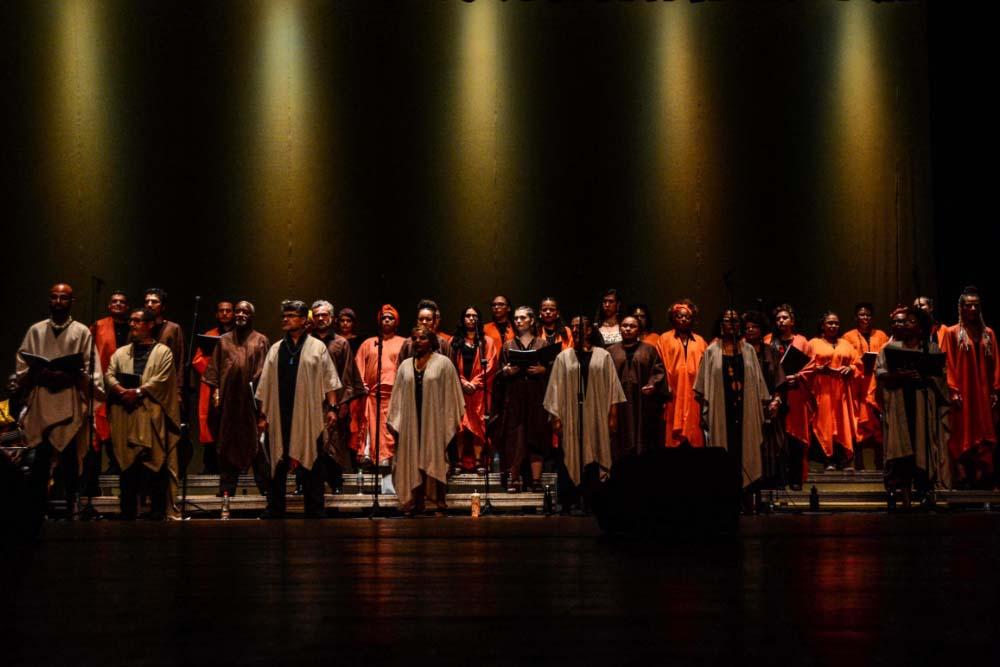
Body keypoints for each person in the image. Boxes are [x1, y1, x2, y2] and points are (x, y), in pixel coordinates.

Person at [16, 283, 104, 521]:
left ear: (71, 301)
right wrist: (42, 373)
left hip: (69, 398)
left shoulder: (81, 332)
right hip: (43, 398)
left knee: (69, 456)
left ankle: (71, 503)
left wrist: (68, 374)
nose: (58, 301)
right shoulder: (36, 330)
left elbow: (90, 368)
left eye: (63, 298)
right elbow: (23, 365)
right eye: (54, 297)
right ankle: (37, 506)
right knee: (40, 458)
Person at [255, 300, 341, 518]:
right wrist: (263, 415)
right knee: (277, 461)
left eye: (291, 315)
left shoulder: (317, 347)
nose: (285, 319)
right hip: (280, 412)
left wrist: (332, 408)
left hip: (308, 412)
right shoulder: (276, 349)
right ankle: (275, 507)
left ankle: (314, 507)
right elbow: (265, 384)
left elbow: (329, 380)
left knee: (313, 460)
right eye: (284, 315)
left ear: (304, 321)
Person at [105, 307, 181, 520]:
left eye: (138, 321)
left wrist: (138, 392)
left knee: (155, 466)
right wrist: (121, 391)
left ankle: (157, 513)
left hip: (151, 416)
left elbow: (162, 379)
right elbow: (109, 374)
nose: (132, 325)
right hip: (126, 415)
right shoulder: (121, 353)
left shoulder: (163, 352)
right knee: (127, 470)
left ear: (150, 325)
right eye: (131, 321)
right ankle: (128, 512)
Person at [544, 315, 626, 506]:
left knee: (596, 450)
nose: (575, 330)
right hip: (572, 414)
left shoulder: (603, 355)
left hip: (596, 413)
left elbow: (613, 386)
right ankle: (570, 500)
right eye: (573, 327)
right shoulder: (564, 357)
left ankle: (593, 500)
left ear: (589, 330)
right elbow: (555, 387)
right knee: (571, 453)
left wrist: (613, 415)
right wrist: (556, 417)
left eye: (579, 326)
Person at [694, 310, 771, 508]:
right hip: (722, 409)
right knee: (723, 451)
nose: (732, 324)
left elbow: (758, 384)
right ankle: (723, 499)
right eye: (728, 320)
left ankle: (747, 499)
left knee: (747, 449)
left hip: (744, 410)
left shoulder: (749, 351)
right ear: (721, 324)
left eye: (736, 321)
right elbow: (702, 388)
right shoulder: (712, 351)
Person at [387, 325, 465, 516]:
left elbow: (452, 394)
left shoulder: (444, 363)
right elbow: (397, 395)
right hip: (411, 421)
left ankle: (438, 502)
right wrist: (395, 420)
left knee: (434, 457)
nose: (417, 342)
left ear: (431, 341)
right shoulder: (405, 365)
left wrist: (447, 420)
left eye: (422, 338)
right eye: (414, 338)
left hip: (434, 421)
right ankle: (415, 501)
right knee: (411, 457)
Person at [876, 305, 950, 501]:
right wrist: (898, 375)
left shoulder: (931, 349)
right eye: (904, 321)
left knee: (922, 447)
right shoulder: (890, 349)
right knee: (900, 449)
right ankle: (901, 493)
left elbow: (941, 378)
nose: (906, 324)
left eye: (911, 321)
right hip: (899, 402)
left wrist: (924, 376)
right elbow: (881, 374)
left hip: (922, 404)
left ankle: (925, 492)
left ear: (920, 327)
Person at [202, 301, 270, 497]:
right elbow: (214, 372)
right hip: (229, 404)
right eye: (238, 311)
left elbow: (263, 375)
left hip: (251, 405)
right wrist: (216, 395)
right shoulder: (223, 341)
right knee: (227, 445)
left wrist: (262, 410)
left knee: (257, 448)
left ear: (251, 316)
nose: (240, 314)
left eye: (245, 312)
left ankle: (266, 491)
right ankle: (226, 490)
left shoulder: (260, 340)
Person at [940, 287, 999, 489]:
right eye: (968, 305)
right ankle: (963, 476)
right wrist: (953, 390)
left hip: (983, 394)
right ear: (961, 308)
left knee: (985, 431)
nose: (972, 308)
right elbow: (947, 362)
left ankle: (983, 477)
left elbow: (996, 364)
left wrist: (995, 390)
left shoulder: (988, 333)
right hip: (963, 392)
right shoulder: (952, 332)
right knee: (962, 431)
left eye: (976, 305)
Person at [310, 300, 366, 491]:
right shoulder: (306, 342)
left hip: (335, 402)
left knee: (335, 444)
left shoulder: (341, 344)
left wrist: (342, 404)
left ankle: (336, 483)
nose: (320, 318)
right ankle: (306, 484)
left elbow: (348, 376)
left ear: (331, 318)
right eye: (316, 315)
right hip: (310, 401)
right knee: (309, 442)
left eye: (324, 315)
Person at [495, 306, 551, 491]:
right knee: (515, 437)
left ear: (531, 320)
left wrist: (544, 370)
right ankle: (514, 478)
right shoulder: (508, 345)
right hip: (515, 396)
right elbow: (500, 372)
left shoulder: (542, 344)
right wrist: (507, 371)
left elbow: (552, 369)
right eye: (516, 318)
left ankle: (535, 480)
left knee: (537, 435)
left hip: (536, 395)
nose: (518, 321)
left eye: (522, 318)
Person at [800, 311, 862, 470]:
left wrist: (851, 368)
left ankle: (844, 460)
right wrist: (818, 368)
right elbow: (804, 365)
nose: (833, 326)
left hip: (842, 390)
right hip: (822, 389)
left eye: (836, 323)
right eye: (830, 323)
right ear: (822, 325)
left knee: (843, 424)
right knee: (824, 424)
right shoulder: (813, 343)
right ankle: (828, 460)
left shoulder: (846, 343)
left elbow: (858, 363)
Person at [607, 315, 668, 462]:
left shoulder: (649, 350)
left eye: (632, 326)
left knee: (643, 443)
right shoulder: (610, 351)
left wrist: (653, 385)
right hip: (618, 405)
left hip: (642, 404)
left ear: (639, 330)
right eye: (624, 325)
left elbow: (658, 372)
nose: (628, 329)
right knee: (619, 443)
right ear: (620, 328)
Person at [447, 306, 498, 473]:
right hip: (459, 391)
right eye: (467, 316)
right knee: (460, 426)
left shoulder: (487, 342)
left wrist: (474, 383)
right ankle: (459, 461)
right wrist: (461, 382)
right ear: (462, 319)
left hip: (479, 391)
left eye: (474, 316)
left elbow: (491, 364)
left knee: (479, 425)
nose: (471, 319)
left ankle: (477, 461)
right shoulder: (453, 342)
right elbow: (449, 365)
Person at [766, 304, 811, 489]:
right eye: (778, 319)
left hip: (795, 393)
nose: (781, 321)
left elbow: (812, 365)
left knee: (795, 438)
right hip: (775, 393)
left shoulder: (802, 341)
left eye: (784, 318)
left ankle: (795, 478)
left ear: (792, 321)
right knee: (776, 437)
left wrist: (798, 377)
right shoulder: (769, 341)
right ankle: (777, 478)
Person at [355, 305, 407, 467]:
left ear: (396, 322)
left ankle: (390, 457)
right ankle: (370, 455)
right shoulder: (369, 343)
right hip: (372, 395)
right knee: (371, 427)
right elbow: (357, 366)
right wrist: (361, 384)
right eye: (384, 317)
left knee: (390, 428)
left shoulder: (404, 343)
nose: (386, 320)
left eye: (390, 318)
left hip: (394, 395)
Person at [741, 311, 786, 488]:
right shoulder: (740, 351)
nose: (751, 330)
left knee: (771, 446)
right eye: (747, 328)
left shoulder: (770, 352)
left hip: (768, 405)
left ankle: (768, 484)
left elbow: (779, 380)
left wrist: (776, 400)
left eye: (755, 327)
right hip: (747, 407)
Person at [843, 302, 890, 470]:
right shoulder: (848, 337)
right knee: (858, 425)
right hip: (858, 386)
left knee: (878, 424)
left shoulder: (881, 335)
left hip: (876, 384)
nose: (865, 318)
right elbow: (847, 358)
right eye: (862, 315)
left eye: (868, 315)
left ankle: (880, 465)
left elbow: (887, 355)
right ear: (856, 317)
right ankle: (858, 465)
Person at [191, 299, 235, 474]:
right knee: (210, 424)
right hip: (212, 385)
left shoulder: (240, 336)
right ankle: (210, 465)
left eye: (228, 311)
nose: (225, 314)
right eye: (221, 311)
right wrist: (216, 371)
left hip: (233, 386)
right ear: (216, 314)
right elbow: (197, 360)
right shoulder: (209, 335)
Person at [657, 299, 708, 447]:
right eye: (679, 316)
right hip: (673, 394)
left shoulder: (700, 341)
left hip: (694, 395)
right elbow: (659, 366)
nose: (683, 319)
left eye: (687, 316)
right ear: (673, 318)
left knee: (695, 434)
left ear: (692, 320)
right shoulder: (664, 339)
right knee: (673, 439)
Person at [90, 289, 130, 474]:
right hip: (103, 381)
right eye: (114, 301)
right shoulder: (99, 326)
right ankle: (106, 465)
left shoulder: (134, 325)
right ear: (109, 305)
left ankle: (122, 464)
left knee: (124, 426)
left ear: (127, 306)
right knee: (102, 424)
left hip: (128, 382)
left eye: (122, 302)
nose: (118, 304)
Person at [143, 288, 185, 378]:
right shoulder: (139, 327)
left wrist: (179, 388)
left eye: (154, 302)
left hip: (165, 379)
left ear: (163, 306)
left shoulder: (173, 328)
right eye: (147, 302)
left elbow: (179, 360)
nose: (149, 305)